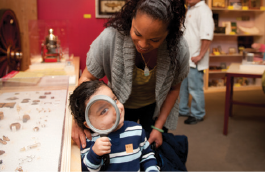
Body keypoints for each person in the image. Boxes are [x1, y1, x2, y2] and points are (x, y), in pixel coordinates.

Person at [72, 0, 189, 149]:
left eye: (154, 40)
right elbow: (87, 77)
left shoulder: (179, 48)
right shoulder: (110, 37)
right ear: (132, 17)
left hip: (154, 109)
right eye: (137, 33)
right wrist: (76, 119)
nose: (143, 45)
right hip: (118, 106)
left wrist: (158, 127)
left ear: (169, 33)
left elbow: (174, 89)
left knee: (152, 152)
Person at [69, 80, 159, 172]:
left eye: (115, 100)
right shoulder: (89, 140)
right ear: (89, 124)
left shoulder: (137, 130)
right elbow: (84, 170)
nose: (116, 109)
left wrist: (152, 169)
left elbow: (147, 156)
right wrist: (94, 154)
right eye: (104, 111)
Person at [178, 0, 214, 124]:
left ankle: (198, 114)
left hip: (195, 59)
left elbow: (207, 36)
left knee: (195, 88)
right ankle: (183, 110)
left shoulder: (203, 11)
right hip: (186, 58)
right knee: (183, 87)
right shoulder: (190, 9)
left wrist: (200, 55)